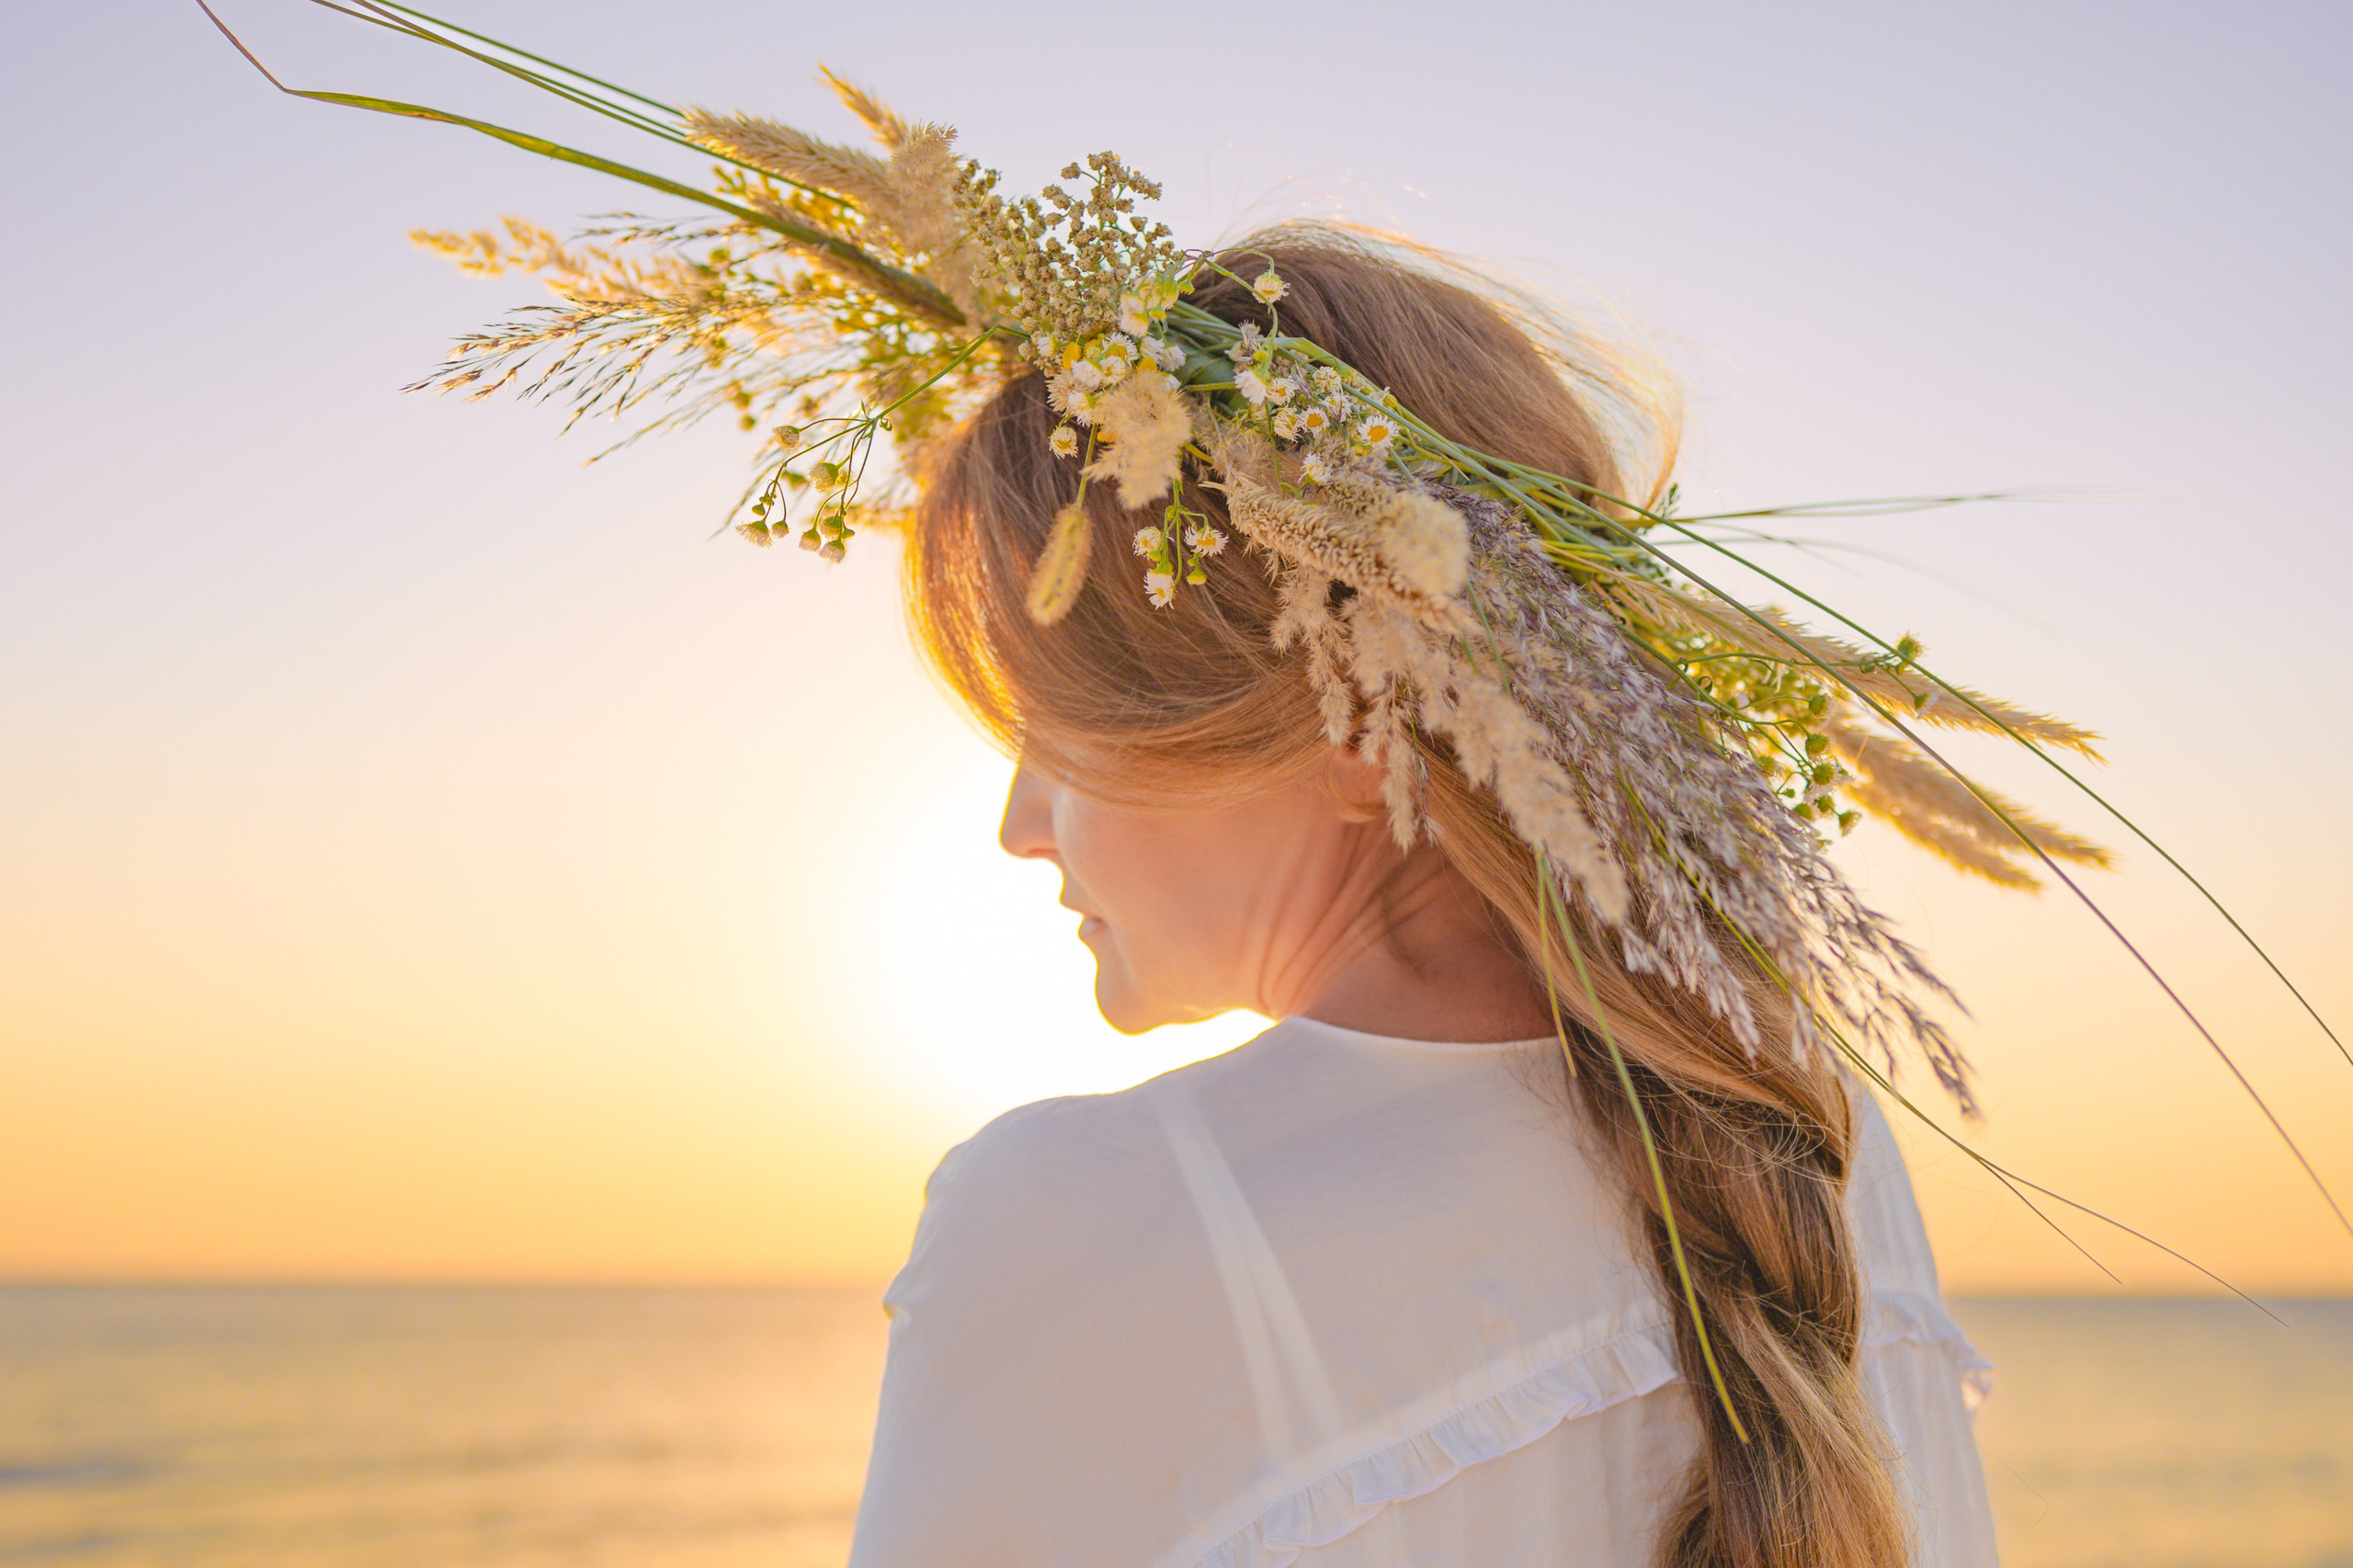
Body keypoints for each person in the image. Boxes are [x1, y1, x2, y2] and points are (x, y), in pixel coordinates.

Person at [846, 230, 1999, 1568]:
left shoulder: (1080, 1222)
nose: (1019, 826)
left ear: (1363, 721)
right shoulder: (1808, 1136)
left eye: (1059, 729)